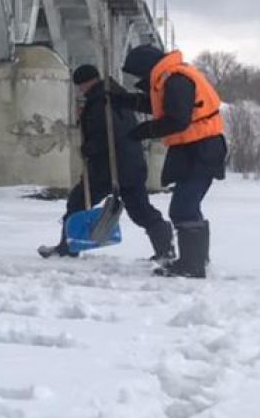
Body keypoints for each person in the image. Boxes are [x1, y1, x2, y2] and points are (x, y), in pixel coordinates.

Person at [110, 43, 227, 279]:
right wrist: (124, 101)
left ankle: (192, 266)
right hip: (194, 148)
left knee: (183, 208)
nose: (138, 80)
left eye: (137, 75)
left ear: (146, 69)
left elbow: (177, 120)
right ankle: (197, 261)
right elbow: (160, 107)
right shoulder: (171, 77)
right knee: (188, 207)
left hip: (201, 149)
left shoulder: (176, 80)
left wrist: (143, 130)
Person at [40, 63, 175, 261]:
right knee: (140, 209)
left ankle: (68, 247)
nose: (80, 90)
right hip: (129, 165)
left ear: (87, 83)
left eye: (80, 86)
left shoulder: (101, 101)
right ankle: (165, 247)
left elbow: (110, 134)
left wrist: (89, 148)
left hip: (111, 167)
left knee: (78, 201)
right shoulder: (113, 96)